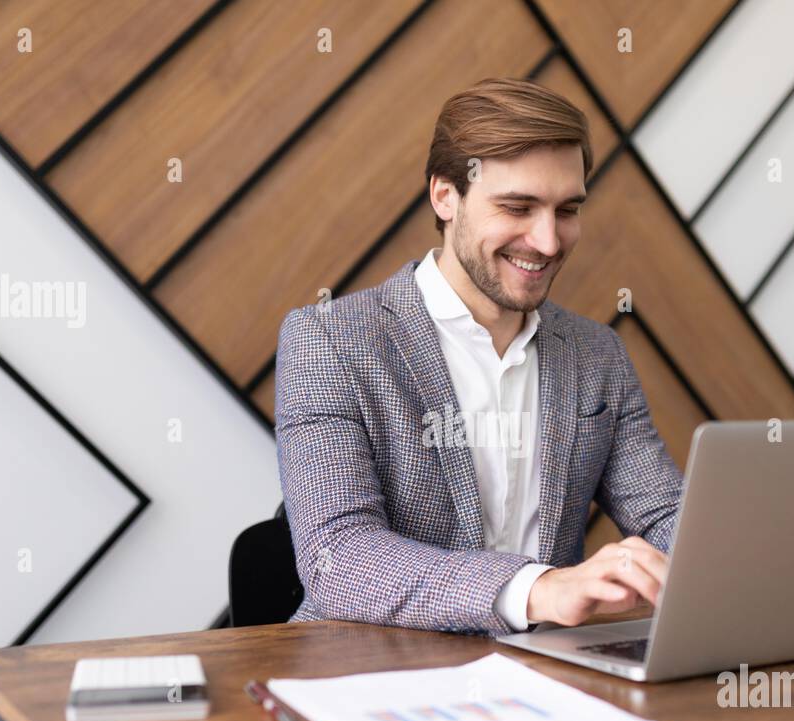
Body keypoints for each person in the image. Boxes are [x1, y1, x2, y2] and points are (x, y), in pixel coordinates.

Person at [275, 77, 682, 635]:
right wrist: (535, 588)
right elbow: (338, 557)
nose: (547, 241)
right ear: (446, 196)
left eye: (567, 210)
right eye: (517, 207)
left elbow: (663, 513)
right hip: (369, 675)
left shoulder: (596, 356)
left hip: (545, 675)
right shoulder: (330, 342)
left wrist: (736, 558)